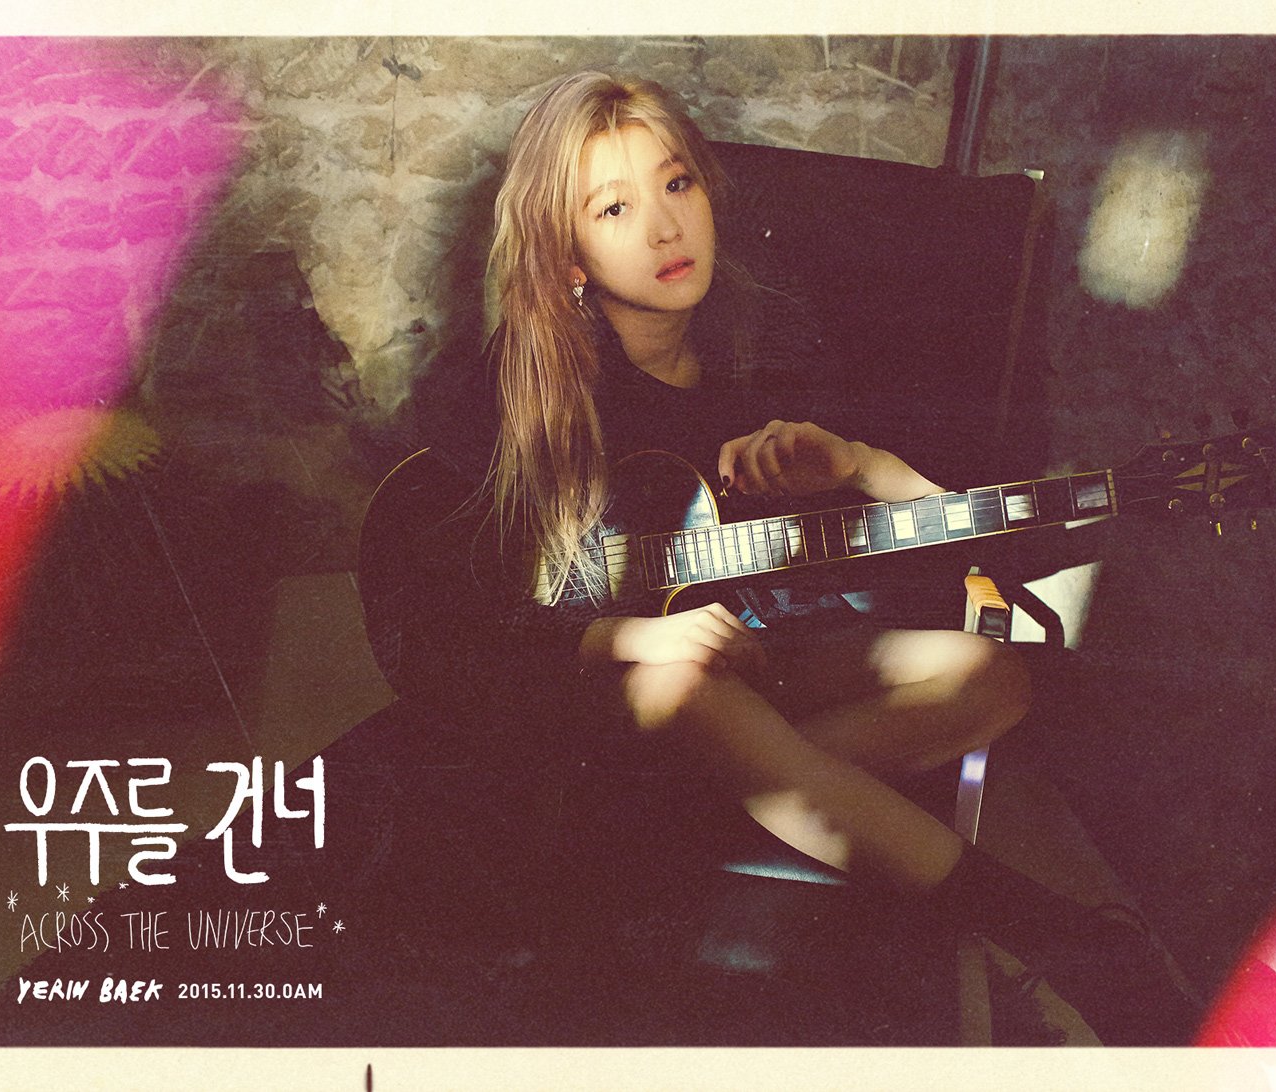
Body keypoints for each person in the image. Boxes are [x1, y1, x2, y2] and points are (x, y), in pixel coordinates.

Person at [418, 70, 1202, 1045]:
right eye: (613, 209)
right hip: (591, 686)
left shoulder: (767, 337)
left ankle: (682, 825)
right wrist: (631, 637)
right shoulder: (525, 383)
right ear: (567, 255)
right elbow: (453, 613)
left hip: (749, 658)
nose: (664, 228)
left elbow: (951, 533)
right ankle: (1068, 942)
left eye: (677, 184)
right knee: (681, 687)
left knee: (993, 675)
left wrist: (858, 463)